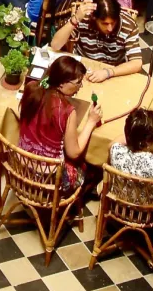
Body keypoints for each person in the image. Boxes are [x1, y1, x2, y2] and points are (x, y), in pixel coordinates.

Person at [18, 56, 103, 196]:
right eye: (78, 83)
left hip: (22, 168)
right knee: (90, 170)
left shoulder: (31, 89)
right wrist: (91, 122)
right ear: (62, 84)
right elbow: (73, 152)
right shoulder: (66, 111)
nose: (80, 87)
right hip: (49, 180)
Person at [49, 0, 143, 80]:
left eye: (113, 23)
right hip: (84, 68)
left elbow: (137, 63)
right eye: (105, 24)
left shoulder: (128, 24)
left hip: (114, 70)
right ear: (94, 18)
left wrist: (108, 72)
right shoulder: (84, 18)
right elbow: (55, 45)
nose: (109, 28)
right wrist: (75, 19)